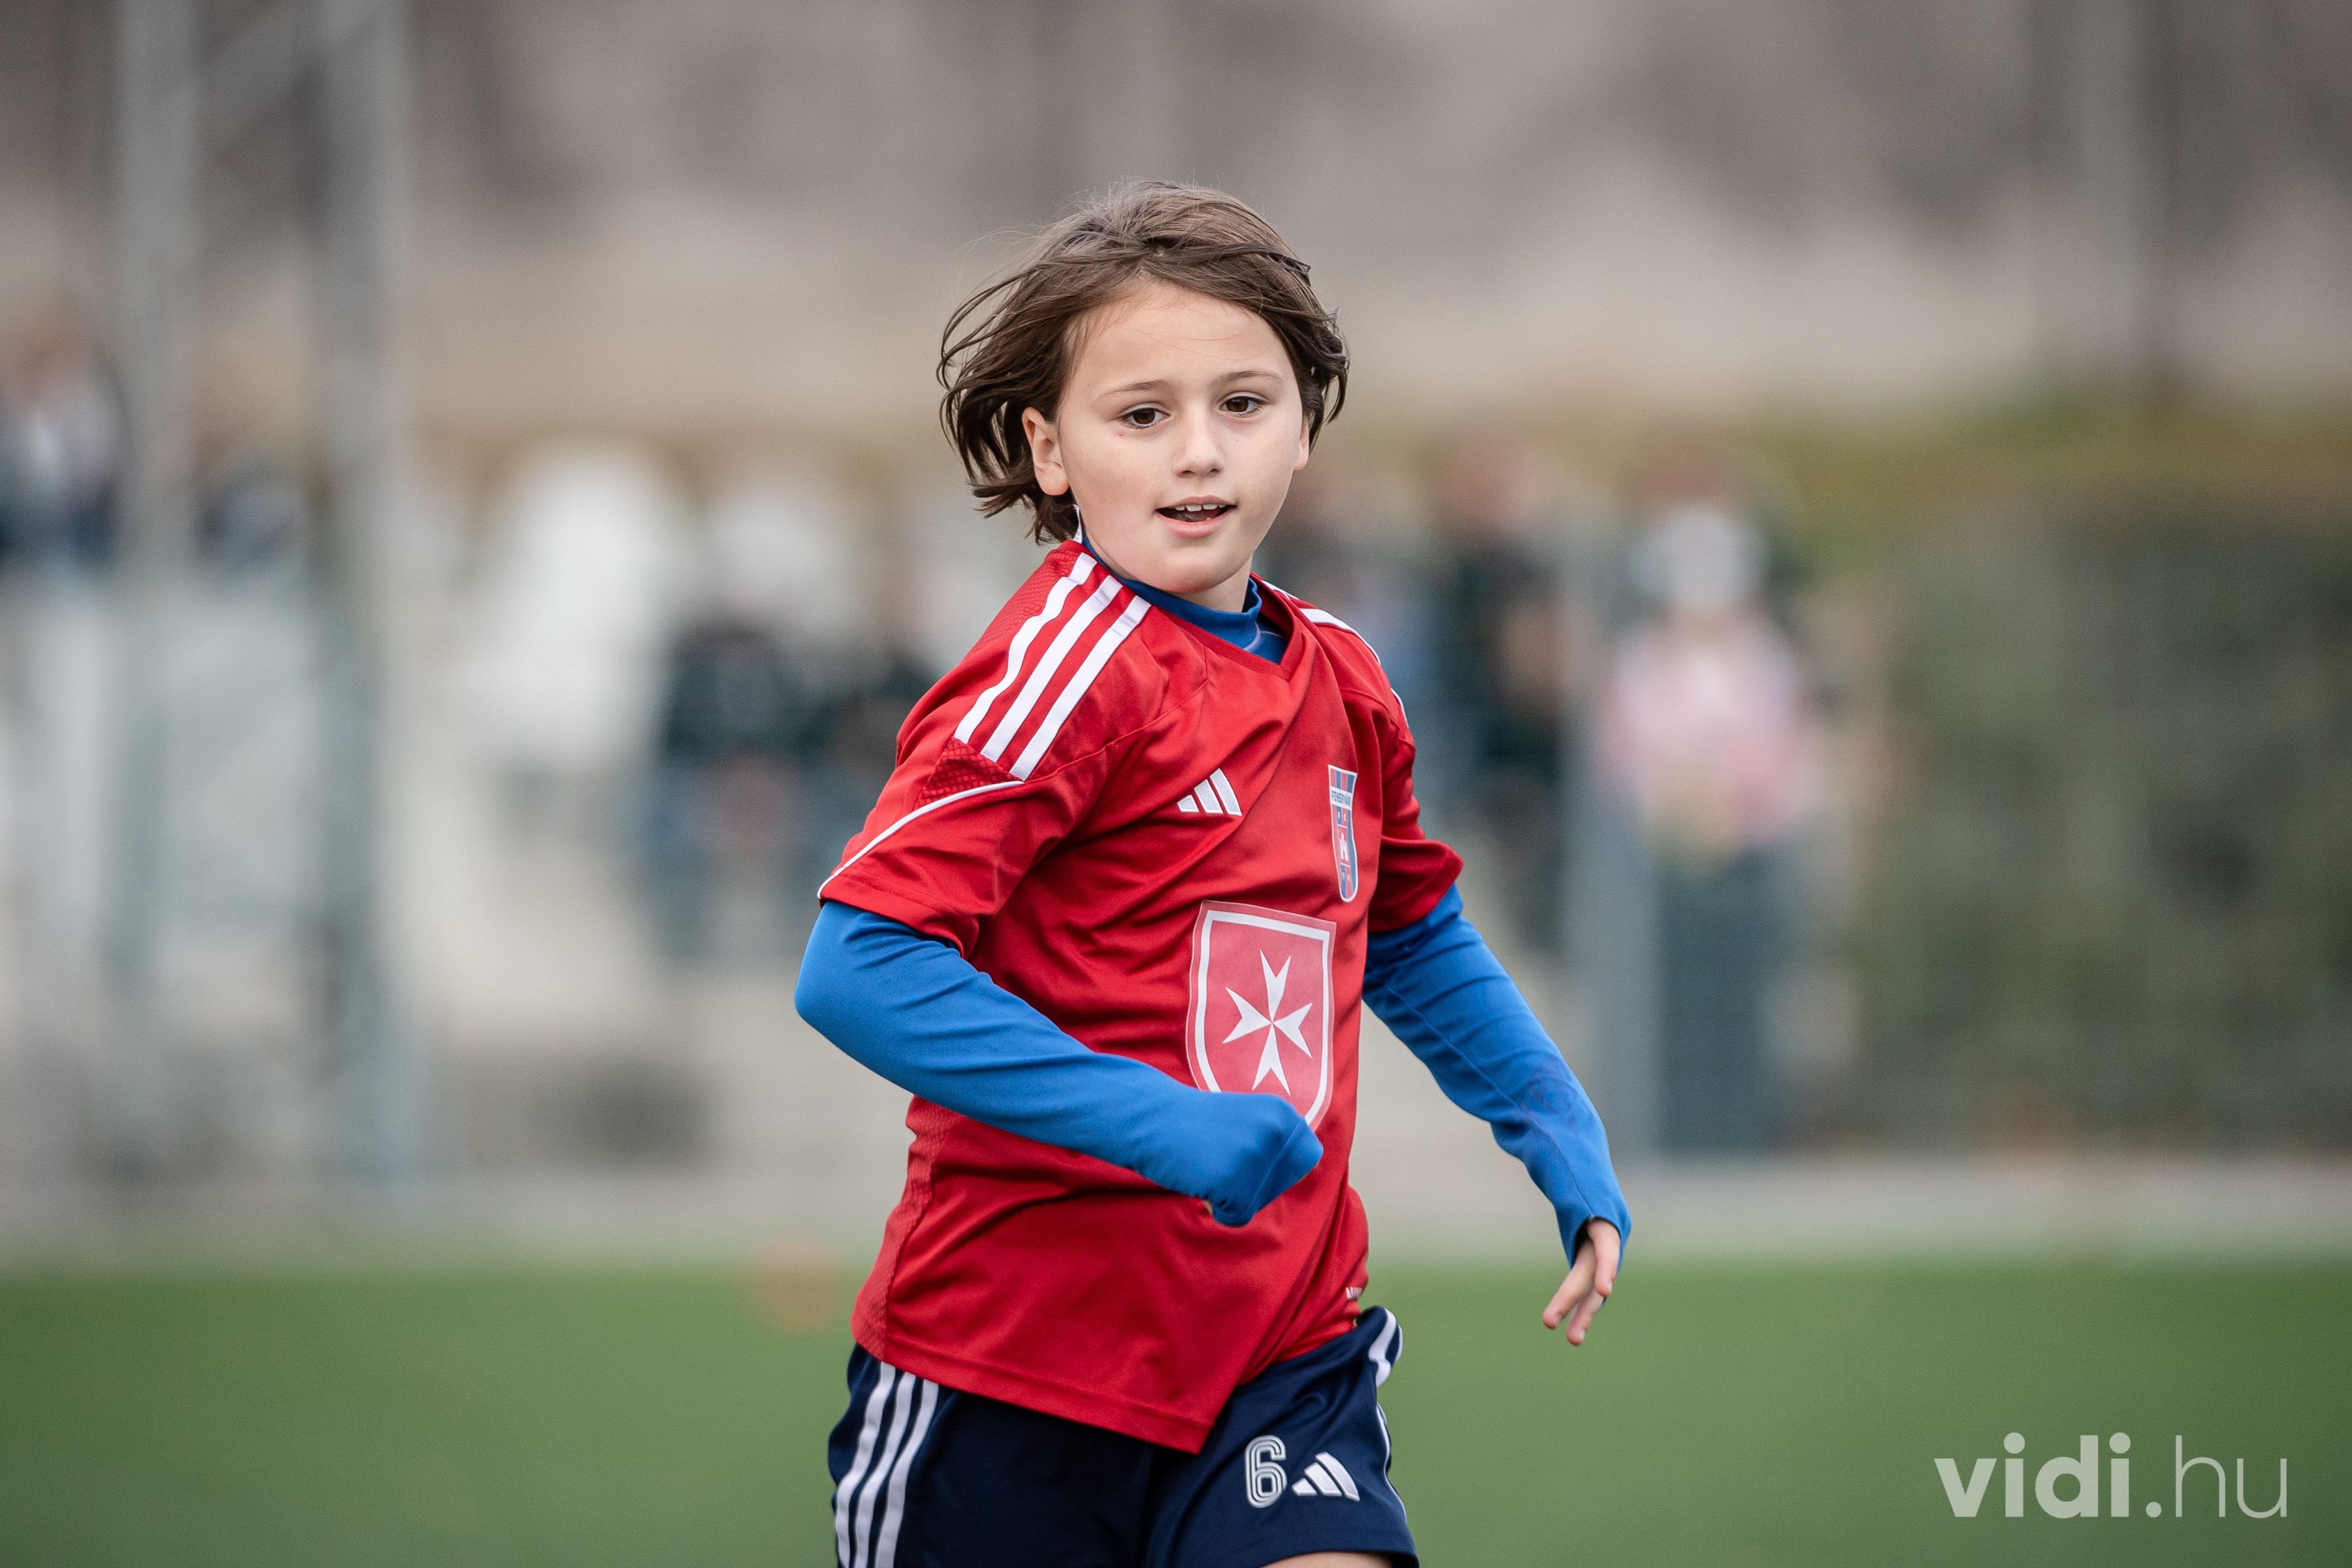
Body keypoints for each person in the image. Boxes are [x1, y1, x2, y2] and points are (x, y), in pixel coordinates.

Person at [794, 183, 1627, 1568]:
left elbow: (1408, 931)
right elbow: (860, 965)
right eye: (1141, 415)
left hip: (1277, 1351)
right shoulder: (1064, 672)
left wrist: (1552, 1117)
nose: (1199, 452)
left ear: (1305, 426)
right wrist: (1160, 1125)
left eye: (1243, 403)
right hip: (1009, 1374)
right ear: (1048, 450)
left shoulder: (1347, 678)